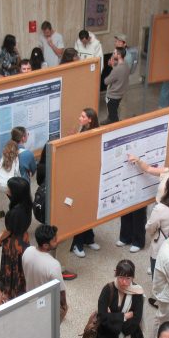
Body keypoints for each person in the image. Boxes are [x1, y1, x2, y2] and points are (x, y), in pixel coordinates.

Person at [22, 224, 68, 338]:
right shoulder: (53, 265)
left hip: (30, 297)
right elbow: (61, 290)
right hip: (46, 304)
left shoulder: (28, 251)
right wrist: (64, 305)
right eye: (54, 239)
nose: (57, 240)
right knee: (52, 330)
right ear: (46, 245)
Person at [70, 108, 101, 257]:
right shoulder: (81, 129)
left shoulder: (94, 133)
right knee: (81, 210)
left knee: (88, 209)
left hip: (89, 175)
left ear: (90, 119)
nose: (79, 118)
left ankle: (88, 238)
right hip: (79, 175)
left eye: (82, 116)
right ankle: (78, 243)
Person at [0, 176, 33, 299]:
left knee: (12, 267)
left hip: (13, 244)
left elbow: (9, 230)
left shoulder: (13, 213)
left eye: (9, 189)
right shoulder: (27, 204)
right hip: (24, 239)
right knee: (21, 267)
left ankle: (11, 291)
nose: (7, 190)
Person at [103, 47, 129, 123]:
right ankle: (109, 119)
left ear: (119, 55)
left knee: (113, 116)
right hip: (120, 94)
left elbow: (106, 81)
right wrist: (113, 66)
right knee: (113, 113)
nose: (113, 55)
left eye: (114, 53)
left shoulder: (117, 69)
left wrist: (113, 67)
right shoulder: (126, 64)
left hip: (113, 96)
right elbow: (118, 76)